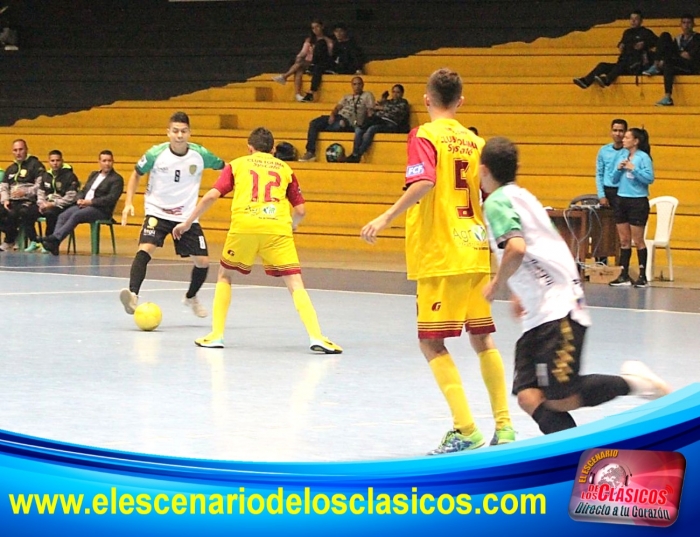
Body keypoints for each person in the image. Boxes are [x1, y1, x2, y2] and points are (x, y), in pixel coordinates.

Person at [360, 69, 514, 454]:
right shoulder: (476, 141)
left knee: (431, 343)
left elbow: (425, 182)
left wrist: (385, 217)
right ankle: (505, 426)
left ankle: (465, 429)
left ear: (426, 99)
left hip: (441, 252)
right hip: (476, 249)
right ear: (461, 101)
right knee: (483, 338)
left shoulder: (423, 135)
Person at [479, 136, 670, 436]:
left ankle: (635, 383)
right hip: (539, 312)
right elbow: (540, 244)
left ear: (484, 169)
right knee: (529, 396)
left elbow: (515, 248)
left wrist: (497, 284)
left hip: (558, 309)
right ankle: (572, 457)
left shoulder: (497, 203)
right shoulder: (520, 196)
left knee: (561, 396)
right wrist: (519, 291)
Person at [172, 127, 342, 354]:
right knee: (295, 283)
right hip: (277, 229)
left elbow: (212, 195)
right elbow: (301, 210)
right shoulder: (285, 168)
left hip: (244, 227)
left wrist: (187, 222)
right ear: (273, 149)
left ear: (249, 147)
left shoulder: (238, 164)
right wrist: (292, 225)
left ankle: (216, 335)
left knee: (225, 275)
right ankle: (317, 336)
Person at [119, 111, 225, 318]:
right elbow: (136, 174)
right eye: (175, 131)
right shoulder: (155, 154)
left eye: (183, 131)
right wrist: (129, 202)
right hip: (157, 211)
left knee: (203, 262)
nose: (179, 135)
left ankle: (191, 297)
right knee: (145, 249)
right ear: (168, 132)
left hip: (186, 216)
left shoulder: (201, 154)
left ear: (189, 133)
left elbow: (226, 169)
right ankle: (133, 295)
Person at [41, 150, 123, 256]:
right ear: (99, 162)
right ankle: (55, 245)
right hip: (84, 205)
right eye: (104, 161)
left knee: (77, 215)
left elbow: (110, 199)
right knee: (63, 215)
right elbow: (83, 190)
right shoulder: (94, 175)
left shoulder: (117, 179)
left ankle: (55, 238)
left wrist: (90, 202)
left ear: (113, 162)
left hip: (101, 209)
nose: (107, 163)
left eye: (109, 161)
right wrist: (79, 199)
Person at [607, 128, 654, 288]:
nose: (623, 140)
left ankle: (642, 276)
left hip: (637, 201)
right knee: (624, 240)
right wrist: (618, 169)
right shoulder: (622, 156)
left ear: (636, 141)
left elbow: (649, 178)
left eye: (627, 137)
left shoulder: (643, 157)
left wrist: (634, 168)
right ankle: (623, 274)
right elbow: (613, 179)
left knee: (637, 240)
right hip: (622, 199)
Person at [573, 10, 657, 89]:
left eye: (636, 19)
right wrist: (621, 45)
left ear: (641, 21)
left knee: (622, 64)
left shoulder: (646, 33)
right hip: (623, 63)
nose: (633, 21)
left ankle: (607, 80)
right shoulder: (627, 32)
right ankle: (586, 81)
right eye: (631, 19)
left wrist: (645, 44)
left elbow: (658, 43)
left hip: (635, 65)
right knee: (603, 65)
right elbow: (622, 44)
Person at [298, 77, 375, 162]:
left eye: (359, 84)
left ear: (363, 85)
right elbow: (337, 108)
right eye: (354, 84)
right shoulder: (347, 96)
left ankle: (328, 128)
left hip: (350, 122)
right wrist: (332, 115)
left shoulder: (367, 95)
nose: (357, 86)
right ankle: (310, 152)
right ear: (352, 86)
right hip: (338, 117)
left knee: (340, 124)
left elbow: (370, 111)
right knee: (314, 123)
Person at [642, 14, 700, 106]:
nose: (686, 25)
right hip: (676, 63)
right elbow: (678, 53)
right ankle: (656, 64)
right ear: (680, 25)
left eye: (689, 23)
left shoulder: (698, 38)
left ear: (693, 24)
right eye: (684, 23)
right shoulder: (678, 39)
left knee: (668, 62)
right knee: (665, 35)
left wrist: (674, 54)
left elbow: (688, 56)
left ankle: (667, 96)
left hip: (690, 66)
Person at [272, 19, 335, 103]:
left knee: (300, 64)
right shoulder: (310, 40)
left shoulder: (328, 40)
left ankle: (284, 76)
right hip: (308, 61)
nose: (315, 30)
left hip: (319, 61)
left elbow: (330, 53)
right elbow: (303, 52)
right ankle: (297, 94)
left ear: (322, 27)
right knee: (299, 69)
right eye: (313, 28)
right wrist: (299, 57)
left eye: (317, 27)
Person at [345, 84, 410, 163]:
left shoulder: (404, 103)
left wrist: (382, 108)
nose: (395, 94)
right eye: (393, 92)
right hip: (378, 120)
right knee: (359, 129)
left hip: (390, 124)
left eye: (398, 92)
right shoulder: (387, 101)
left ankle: (358, 154)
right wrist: (382, 100)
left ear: (402, 93)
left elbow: (396, 111)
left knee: (371, 129)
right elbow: (374, 108)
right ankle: (355, 153)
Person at [0, 139, 45, 252]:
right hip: (11, 201)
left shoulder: (35, 165)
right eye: (15, 150)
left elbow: (41, 185)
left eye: (21, 149)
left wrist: (26, 191)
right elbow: (4, 187)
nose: (18, 152)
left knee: (15, 213)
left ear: (26, 150)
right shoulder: (10, 168)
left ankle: (9, 240)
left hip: (28, 200)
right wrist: (5, 200)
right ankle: (12, 235)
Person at [35, 150, 80, 251]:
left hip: (63, 206)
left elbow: (71, 197)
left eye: (58, 160)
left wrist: (53, 204)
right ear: (49, 162)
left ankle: (49, 242)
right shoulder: (45, 176)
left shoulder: (69, 176)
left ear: (62, 161)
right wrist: (41, 203)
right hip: (46, 205)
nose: (55, 163)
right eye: (52, 160)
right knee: (27, 211)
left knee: (51, 213)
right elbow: (40, 192)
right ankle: (34, 240)